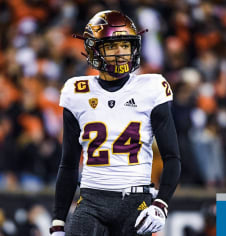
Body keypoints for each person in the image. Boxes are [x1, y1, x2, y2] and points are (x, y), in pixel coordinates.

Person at [50, 10, 181, 236]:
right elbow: (69, 164)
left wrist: (161, 204)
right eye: (111, 46)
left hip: (135, 201)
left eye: (125, 45)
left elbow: (172, 158)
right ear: (94, 49)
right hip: (91, 200)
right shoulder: (76, 92)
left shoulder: (151, 88)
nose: (121, 53)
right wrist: (58, 221)